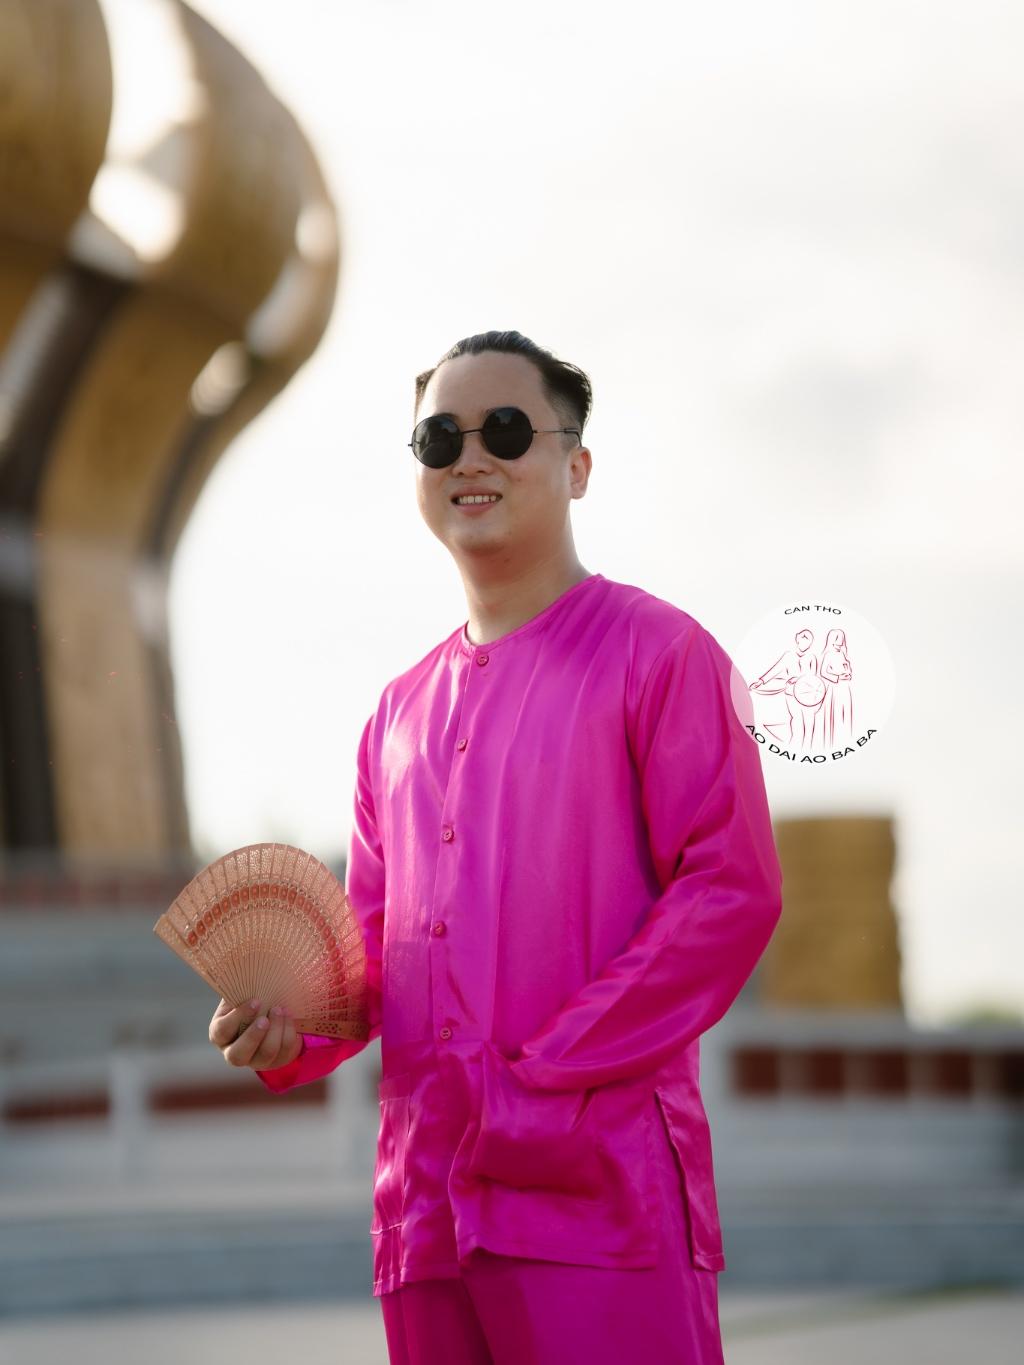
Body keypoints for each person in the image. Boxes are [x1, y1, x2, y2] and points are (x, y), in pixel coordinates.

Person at [209, 330, 784, 1365]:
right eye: (439, 439)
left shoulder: (662, 656)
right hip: (425, 1208)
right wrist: (292, 1027)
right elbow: (373, 950)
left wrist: (546, 1074)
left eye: (505, 431)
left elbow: (730, 892)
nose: (469, 458)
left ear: (577, 466)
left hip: (598, 1193)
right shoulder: (395, 717)